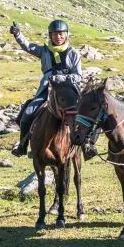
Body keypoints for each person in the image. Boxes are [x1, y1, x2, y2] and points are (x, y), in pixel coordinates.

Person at [10, 19, 83, 157]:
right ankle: (23, 145)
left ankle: (87, 146)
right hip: (47, 91)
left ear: (66, 35)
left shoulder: (74, 53)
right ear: (50, 36)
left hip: (69, 93)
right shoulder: (44, 51)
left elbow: (78, 76)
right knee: (27, 114)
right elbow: (28, 46)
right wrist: (18, 35)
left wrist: (60, 77)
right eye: (55, 34)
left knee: (86, 115)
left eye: (61, 34)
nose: (58, 37)